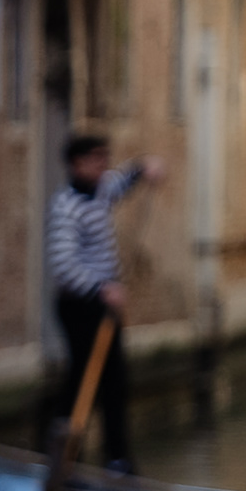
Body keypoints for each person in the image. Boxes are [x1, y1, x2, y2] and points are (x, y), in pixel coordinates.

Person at [46, 131, 162, 473]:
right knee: (82, 381)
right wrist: (101, 289)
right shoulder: (66, 207)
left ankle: (118, 459)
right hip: (80, 306)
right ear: (77, 164)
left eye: (104, 159)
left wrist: (144, 168)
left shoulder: (100, 191)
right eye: (97, 160)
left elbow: (121, 182)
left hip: (103, 305)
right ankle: (65, 461)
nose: (103, 166)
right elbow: (64, 266)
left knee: (115, 382)